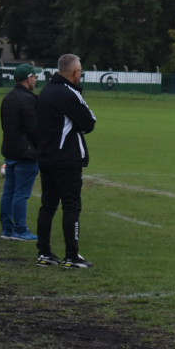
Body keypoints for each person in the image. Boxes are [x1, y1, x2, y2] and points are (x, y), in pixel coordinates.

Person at [35, 54, 97, 268]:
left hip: (46, 157)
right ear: (75, 72)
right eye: (80, 71)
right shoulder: (69, 93)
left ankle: (43, 253)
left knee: (47, 206)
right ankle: (72, 256)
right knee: (71, 207)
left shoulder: (44, 92)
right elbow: (89, 122)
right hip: (67, 159)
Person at [0, 63, 43, 241]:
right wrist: (41, 147)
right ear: (28, 79)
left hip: (10, 150)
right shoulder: (28, 99)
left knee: (9, 191)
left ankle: (7, 229)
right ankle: (20, 229)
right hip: (26, 153)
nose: (36, 80)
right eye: (35, 77)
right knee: (21, 193)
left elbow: (5, 125)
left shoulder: (8, 97)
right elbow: (33, 128)